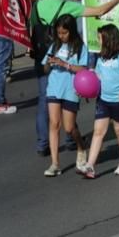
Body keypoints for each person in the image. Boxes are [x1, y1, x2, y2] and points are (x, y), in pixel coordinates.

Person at [30, 0, 119, 156]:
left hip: (43, 55)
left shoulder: (37, 6)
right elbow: (100, 10)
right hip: (66, 56)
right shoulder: (67, 6)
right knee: (68, 96)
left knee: (45, 99)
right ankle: (71, 138)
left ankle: (43, 144)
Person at [81, 25, 119, 179]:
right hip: (103, 100)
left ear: (109, 39)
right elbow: (98, 77)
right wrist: (88, 87)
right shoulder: (101, 57)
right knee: (98, 131)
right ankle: (90, 165)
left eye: (100, 38)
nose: (98, 41)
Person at [41, 14, 90, 176]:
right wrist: (49, 63)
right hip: (54, 88)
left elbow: (83, 69)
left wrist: (65, 64)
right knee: (54, 124)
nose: (61, 36)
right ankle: (55, 164)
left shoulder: (80, 47)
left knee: (69, 127)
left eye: (64, 33)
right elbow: (45, 69)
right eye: (59, 33)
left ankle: (81, 146)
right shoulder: (54, 45)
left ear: (71, 31)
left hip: (71, 89)